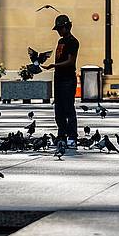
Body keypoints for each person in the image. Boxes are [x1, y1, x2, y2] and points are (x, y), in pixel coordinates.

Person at [41, 14, 79, 148]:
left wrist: (54, 66)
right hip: (58, 78)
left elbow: (70, 61)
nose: (58, 32)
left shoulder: (73, 41)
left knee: (68, 108)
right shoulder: (60, 42)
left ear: (67, 27)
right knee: (59, 109)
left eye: (60, 29)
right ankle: (61, 134)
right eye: (57, 29)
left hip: (68, 79)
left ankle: (72, 136)